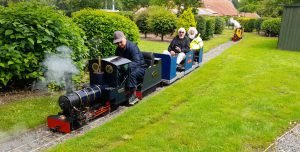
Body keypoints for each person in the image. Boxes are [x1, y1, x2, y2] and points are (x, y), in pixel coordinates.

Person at [113, 31, 146, 104]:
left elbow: (137, 62)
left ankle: (133, 95)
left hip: (140, 68)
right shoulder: (118, 49)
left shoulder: (132, 47)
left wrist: (125, 67)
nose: (119, 44)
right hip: (127, 68)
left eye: (120, 42)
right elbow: (117, 60)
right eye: (117, 43)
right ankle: (117, 91)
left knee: (131, 73)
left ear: (124, 38)